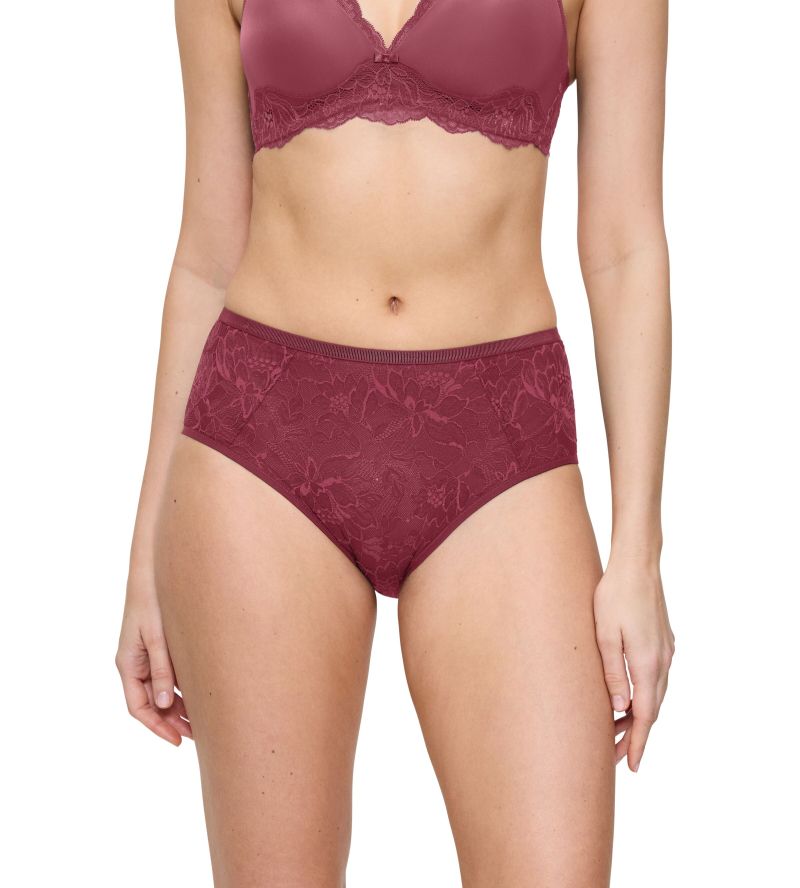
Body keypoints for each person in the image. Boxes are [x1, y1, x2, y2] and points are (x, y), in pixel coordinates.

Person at [116, 0, 675, 884]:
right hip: (261, 444)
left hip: (501, 445)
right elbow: (206, 257)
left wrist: (638, 554)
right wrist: (146, 554)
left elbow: (624, 249)